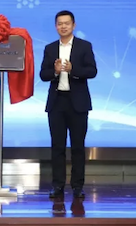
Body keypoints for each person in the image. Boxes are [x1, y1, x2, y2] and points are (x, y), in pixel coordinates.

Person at [40, 10, 97, 199]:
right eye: (59, 23)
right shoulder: (50, 48)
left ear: (74, 25)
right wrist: (55, 72)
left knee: (78, 147)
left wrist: (73, 69)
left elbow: (92, 71)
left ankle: (77, 186)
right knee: (57, 146)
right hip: (57, 103)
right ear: (56, 26)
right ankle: (57, 186)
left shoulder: (84, 46)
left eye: (66, 23)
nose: (63, 26)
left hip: (78, 103)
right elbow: (43, 74)